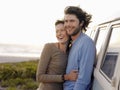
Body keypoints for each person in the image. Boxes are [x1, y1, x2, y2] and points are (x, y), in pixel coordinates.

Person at [36, 20, 78, 90]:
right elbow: (39, 77)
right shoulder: (49, 47)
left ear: (68, 31)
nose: (59, 33)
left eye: (62, 30)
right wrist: (65, 77)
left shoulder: (72, 51)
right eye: (57, 31)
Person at [63, 6, 96, 90]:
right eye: (66, 21)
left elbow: (83, 80)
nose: (68, 25)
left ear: (81, 23)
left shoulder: (86, 43)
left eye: (72, 21)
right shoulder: (73, 43)